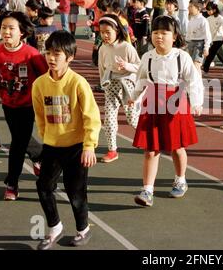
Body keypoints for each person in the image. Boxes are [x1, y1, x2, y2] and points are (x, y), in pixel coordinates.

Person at [33, 31, 101, 250]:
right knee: (43, 186)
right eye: (48, 53)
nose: (51, 58)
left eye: (57, 54)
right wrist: (45, 139)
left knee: (75, 191)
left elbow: (92, 116)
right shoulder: (39, 84)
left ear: (70, 57)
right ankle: (54, 227)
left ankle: (83, 229)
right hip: (52, 146)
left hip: (76, 147)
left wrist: (89, 146)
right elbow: (40, 115)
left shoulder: (78, 83)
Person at [128, 16, 204, 207]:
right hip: (153, 101)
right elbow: (142, 79)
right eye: (155, 33)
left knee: (177, 147)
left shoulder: (182, 57)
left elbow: (193, 81)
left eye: (164, 33)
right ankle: (147, 190)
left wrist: (196, 102)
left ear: (174, 35)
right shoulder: (147, 57)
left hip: (175, 101)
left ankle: (180, 179)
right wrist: (134, 96)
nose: (159, 37)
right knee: (151, 149)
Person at [0, 11, 47, 200]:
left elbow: (45, 78)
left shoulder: (32, 54)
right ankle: (38, 156)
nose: (7, 32)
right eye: (4, 28)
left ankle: (12, 183)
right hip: (8, 104)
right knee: (21, 138)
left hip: (28, 106)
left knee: (18, 144)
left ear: (22, 32)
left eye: (11, 28)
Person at [98, 15, 141, 162]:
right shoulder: (102, 48)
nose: (104, 35)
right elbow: (101, 68)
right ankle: (112, 150)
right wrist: (103, 83)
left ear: (117, 30)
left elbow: (139, 67)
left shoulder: (126, 47)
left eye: (107, 32)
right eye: (101, 32)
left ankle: (148, 138)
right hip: (111, 85)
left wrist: (126, 66)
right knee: (109, 119)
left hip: (127, 84)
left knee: (132, 119)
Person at [203, 2, 223, 73]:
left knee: (212, 55)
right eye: (207, 10)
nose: (209, 12)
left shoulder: (219, 18)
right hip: (212, 40)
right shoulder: (207, 19)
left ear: (214, 10)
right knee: (220, 56)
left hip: (219, 40)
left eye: (210, 10)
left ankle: (205, 69)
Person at [186, 0, 211, 72]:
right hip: (191, 44)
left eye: (191, 6)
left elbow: (207, 35)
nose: (189, 8)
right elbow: (188, 34)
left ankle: (197, 82)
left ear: (198, 8)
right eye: (189, 6)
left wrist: (206, 48)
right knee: (192, 67)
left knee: (196, 65)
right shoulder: (191, 19)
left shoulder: (203, 20)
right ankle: (197, 82)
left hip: (200, 45)